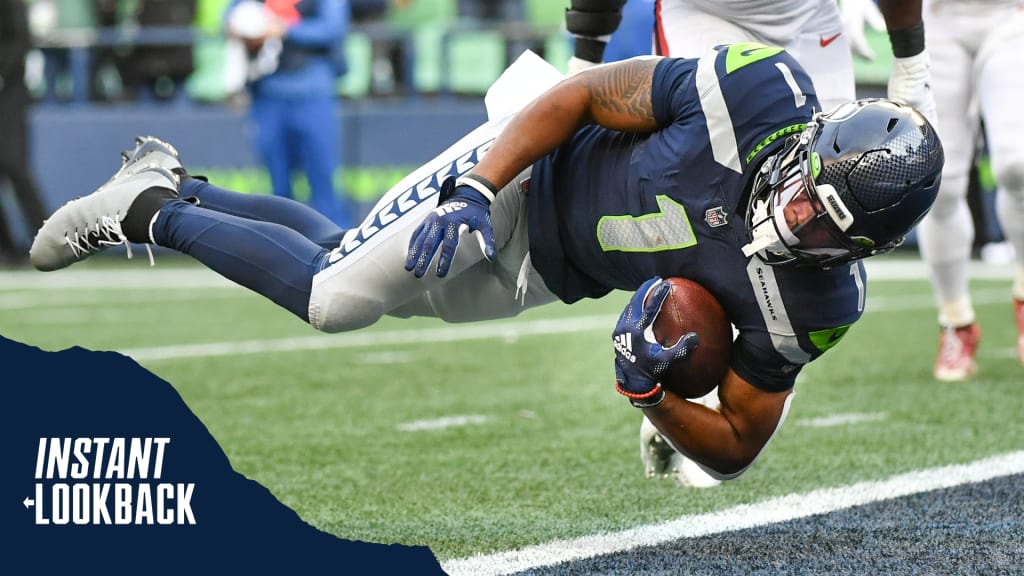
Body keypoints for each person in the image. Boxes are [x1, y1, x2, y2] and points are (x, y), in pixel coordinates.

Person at [27, 45, 943, 486]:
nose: (791, 220)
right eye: (803, 191)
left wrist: (654, 396)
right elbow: (581, 92)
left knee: (343, 255)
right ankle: (144, 208)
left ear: (864, 249)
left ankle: (179, 185)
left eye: (824, 228)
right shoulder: (758, 94)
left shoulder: (817, 298)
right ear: (811, 142)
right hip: (521, 176)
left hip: (550, 271)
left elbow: (738, 443)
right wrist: (477, 185)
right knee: (336, 296)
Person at [564, 0, 936, 487]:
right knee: (719, 208)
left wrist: (912, 64)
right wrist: (585, 59)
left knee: (827, 204)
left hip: (808, 15)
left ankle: (749, 400)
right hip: (702, 11)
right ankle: (687, 381)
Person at [914, 0, 1024, 381]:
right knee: (938, 183)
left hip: (1012, 13)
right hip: (939, 18)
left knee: (1017, 163)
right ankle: (956, 321)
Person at [224, 0, 354, 228]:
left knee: (322, 178)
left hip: (312, 89)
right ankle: (283, 246)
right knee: (278, 182)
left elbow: (333, 28)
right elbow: (229, 18)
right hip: (268, 91)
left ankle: (339, 243)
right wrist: (243, 26)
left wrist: (285, 29)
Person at [0, 0, 48, 266]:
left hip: (9, 94)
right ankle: (6, 250)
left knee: (15, 165)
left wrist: (2, 72)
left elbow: (20, 40)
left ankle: (50, 241)